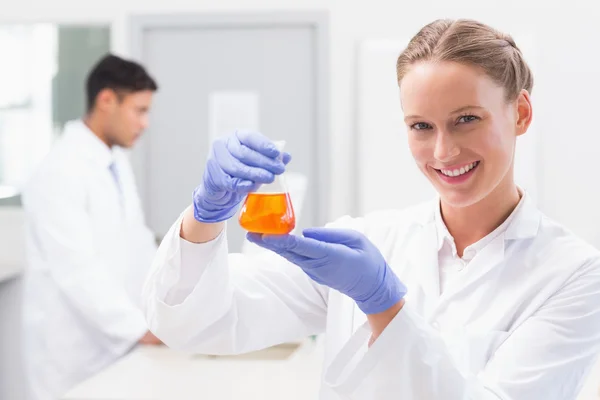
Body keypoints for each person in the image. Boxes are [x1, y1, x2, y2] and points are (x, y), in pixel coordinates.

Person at [141, 19, 600, 399]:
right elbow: (198, 324)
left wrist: (384, 306)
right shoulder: (373, 243)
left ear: (520, 113)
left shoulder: (571, 274)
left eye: (466, 119)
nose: (442, 152)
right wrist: (205, 217)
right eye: (421, 126)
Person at [22, 54, 162, 400]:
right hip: (73, 356)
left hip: (117, 347)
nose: (145, 123)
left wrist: (169, 301)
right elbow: (76, 269)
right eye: (139, 110)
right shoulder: (59, 170)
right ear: (106, 100)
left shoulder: (114, 163)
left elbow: (137, 242)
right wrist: (139, 329)